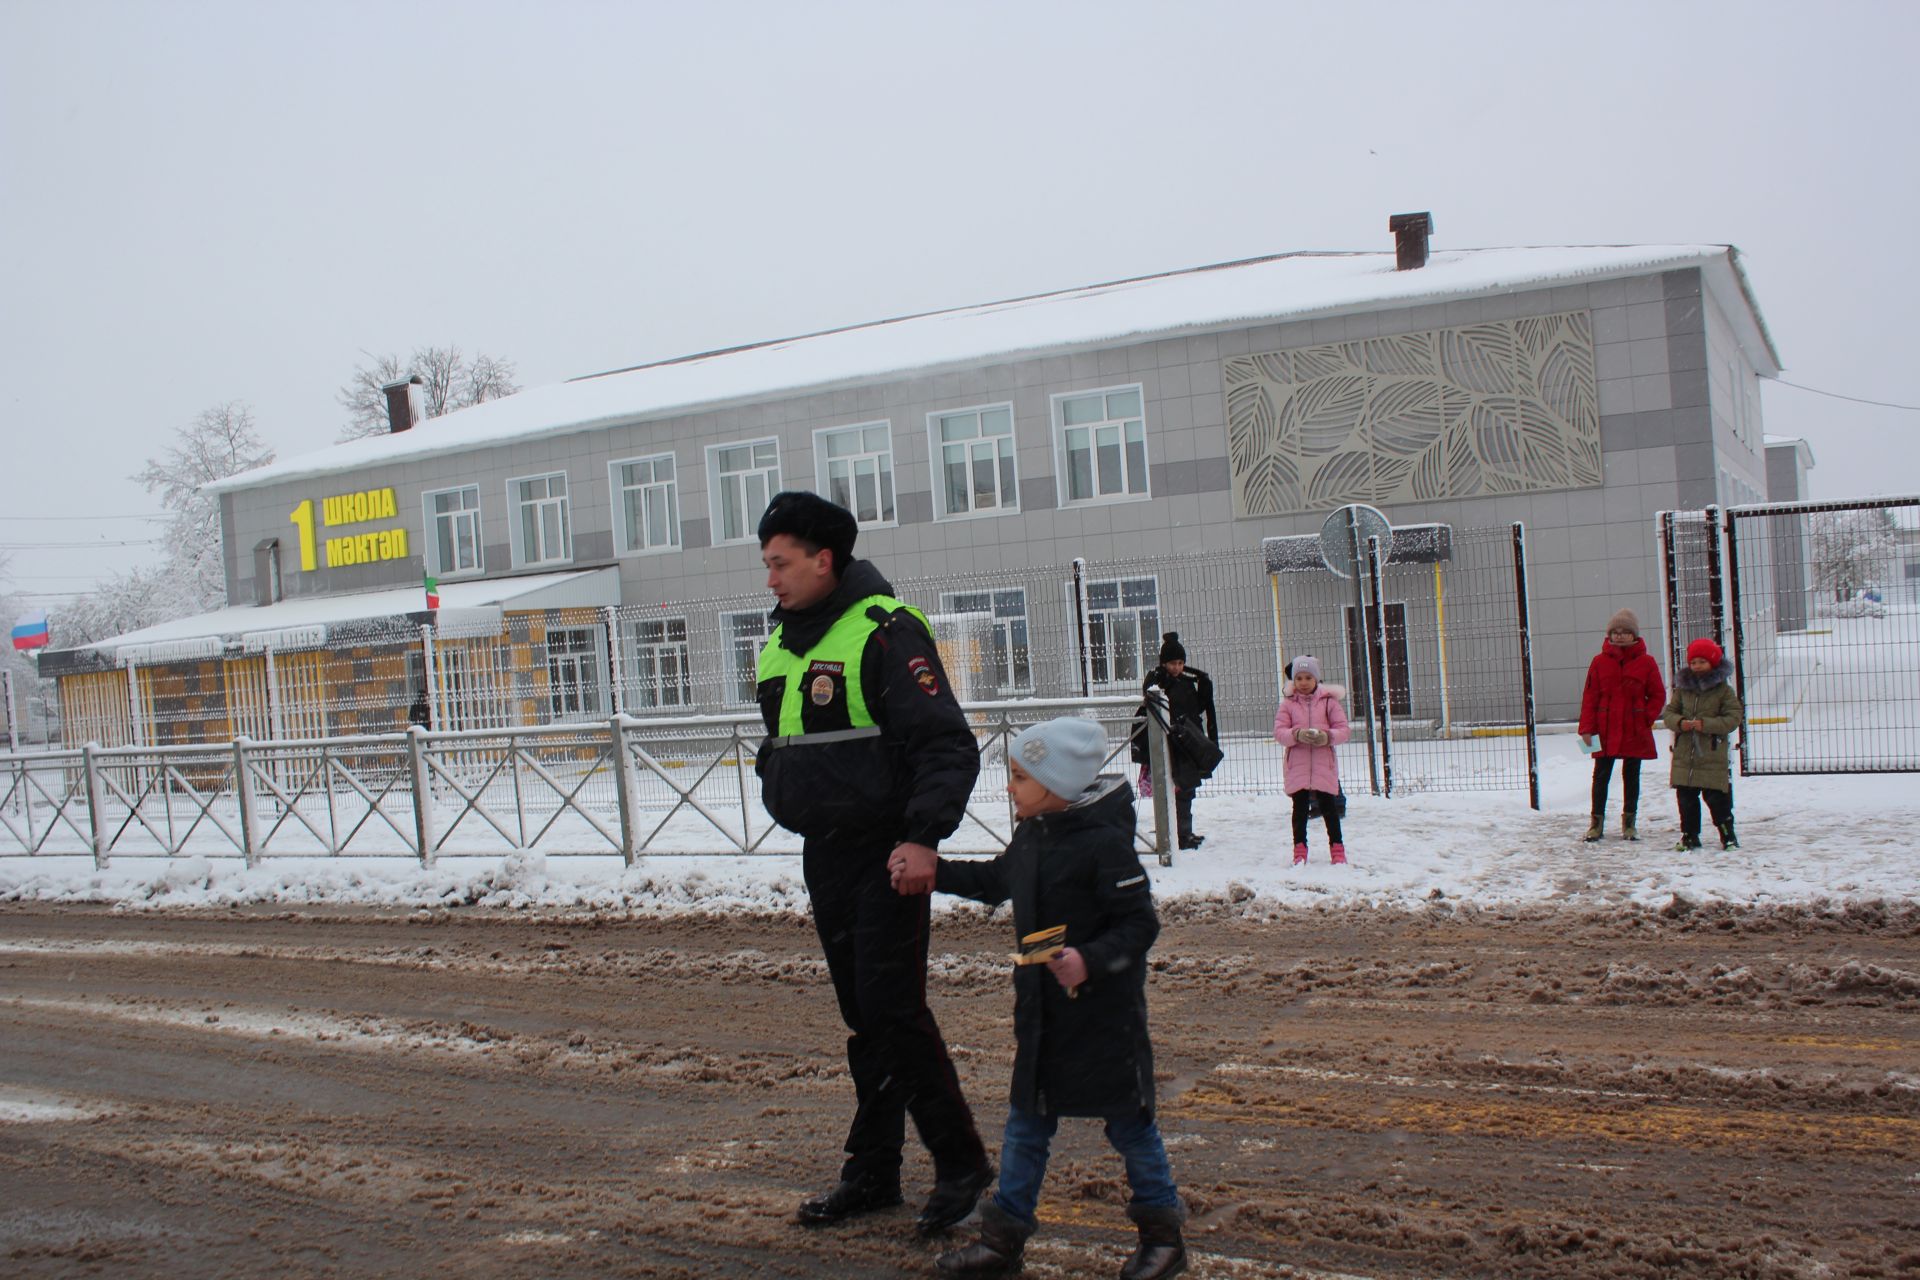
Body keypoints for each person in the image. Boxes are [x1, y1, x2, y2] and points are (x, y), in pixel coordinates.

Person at [752, 491, 992, 1236]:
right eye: (766, 565)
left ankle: (960, 1165)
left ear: (825, 560)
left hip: (889, 852)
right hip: (825, 852)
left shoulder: (886, 632)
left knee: (893, 1010)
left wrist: (923, 836)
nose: (771, 580)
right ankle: (874, 1171)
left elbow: (946, 743)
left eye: (781, 564)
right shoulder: (782, 642)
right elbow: (788, 741)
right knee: (866, 1018)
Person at [891, 717, 1187, 1280]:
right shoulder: (1034, 832)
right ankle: (1002, 1243)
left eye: (1021, 778)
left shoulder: (1104, 844)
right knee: (1026, 1127)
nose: (1010, 788)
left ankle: (1163, 1239)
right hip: (1042, 1017)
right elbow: (998, 880)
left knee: (1130, 1127)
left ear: (1058, 787)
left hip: (1105, 1020)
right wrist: (936, 873)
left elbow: (1139, 924)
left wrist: (1090, 960)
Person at [1576, 608, 1666, 842]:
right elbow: (1590, 697)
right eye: (1615, 632)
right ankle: (1596, 824)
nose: (1619, 636)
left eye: (1625, 632)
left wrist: (1645, 717)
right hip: (1604, 729)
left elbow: (1657, 695)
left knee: (1631, 774)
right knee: (1601, 775)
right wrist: (1586, 728)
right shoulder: (1599, 662)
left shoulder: (1646, 662)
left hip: (1634, 729)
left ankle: (1629, 823)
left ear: (1634, 635)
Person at [1129, 632, 1219, 850]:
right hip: (1168, 746)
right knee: (1171, 791)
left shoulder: (1188, 683)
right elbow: (1149, 694)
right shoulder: (1160, 683)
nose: (1177, 668)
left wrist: (1204, 688)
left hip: (1187, 745)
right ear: (1164, 663)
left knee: (1187, 790)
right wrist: (1158, 677)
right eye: (1172, 663)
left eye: (1180, 663)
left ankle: (1184, 833)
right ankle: (1174, 835)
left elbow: (1197, 709)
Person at [1661, 637, 1743, 851]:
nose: (1697, 666)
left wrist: (1705, 724)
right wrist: (1680, 723)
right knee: (1686, 799)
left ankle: (1728, 835)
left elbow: (1733, 718)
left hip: (1710, 755)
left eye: (1702, 662)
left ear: (1713, 663)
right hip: (1685, 755)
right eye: (1694, 662)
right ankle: (1689, 835)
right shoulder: (1683, 689)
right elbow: (1669, 713)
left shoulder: (1724, 691)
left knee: (1717, 798)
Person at [1272, 656, 1352, 865]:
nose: (1304, 682)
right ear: (1293, 680)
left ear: (1316, 679)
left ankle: (1337, 848)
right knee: (1299, 809)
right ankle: (1300, 849)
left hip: (1323, 764)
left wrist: (1327, 737)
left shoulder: (1329, 703)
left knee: (1329, 808)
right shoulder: (1288, 704)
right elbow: (1279, 732)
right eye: (1299, 678)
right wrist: (1296, 735)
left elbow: (1343, 729)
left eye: (1308, 677)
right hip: (1297, 765)